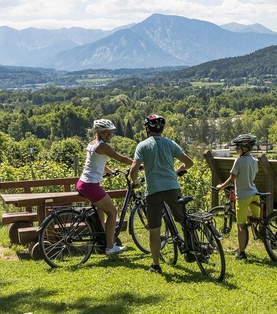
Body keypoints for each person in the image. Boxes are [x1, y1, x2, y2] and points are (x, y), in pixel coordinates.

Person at [129, 114, 194, 274]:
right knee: (183, 219)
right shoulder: (170, 143)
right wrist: (178, 170)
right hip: (172, 187)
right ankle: (191, 249)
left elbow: (133, 169)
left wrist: (135, 180)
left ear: (147, 128)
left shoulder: (142, 146)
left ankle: (156, 264)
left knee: (155, 229)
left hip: (153, 190)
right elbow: (190, 162)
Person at [76, 119, 133, 256]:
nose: (109, 134)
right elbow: (122, 159)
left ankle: (100, 240)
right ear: (98, 132)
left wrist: (107, 169)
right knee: (113, 213)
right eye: (106, 132)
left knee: (101, 211)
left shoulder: (92, 144)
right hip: (90, 185)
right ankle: (109, 247)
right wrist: (136, 164)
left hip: (84, 182)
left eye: (111, 131)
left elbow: (93, 161)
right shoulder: (103, 147)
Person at [215, 134, 260, 260]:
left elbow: (231, 179)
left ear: (244, 148)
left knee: (241, 225)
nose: (236, 150)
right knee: (258, 220)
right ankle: (266, 238)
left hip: (243, 197)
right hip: (254, 194)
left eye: (238, 147)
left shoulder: (238, 161)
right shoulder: (254, 161)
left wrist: (221, 187)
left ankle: (241, 253)